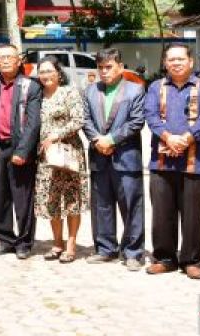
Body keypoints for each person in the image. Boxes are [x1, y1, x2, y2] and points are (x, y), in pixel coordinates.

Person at [144, 43, 200, 279]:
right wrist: (167, 137)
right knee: (162, 213)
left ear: (191, 62)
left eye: (180, 59)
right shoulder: (156, 87)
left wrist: (186, 139)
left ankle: (191, 260)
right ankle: (165, 258)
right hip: (161, 162)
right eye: (171, 60)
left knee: (193, 214)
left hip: (196, 163)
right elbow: (151, 116)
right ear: (165, 63)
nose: (175, 63)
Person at [82, 47, 146, 270]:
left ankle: (133, 252)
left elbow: (137, 122)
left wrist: (110, 140)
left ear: (120, 66)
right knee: (102, 205)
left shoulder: (135, 90)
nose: (104, 72)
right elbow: (85, 120)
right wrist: (97, 140)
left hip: (126, 157)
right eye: (100, 67)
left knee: (131, 205)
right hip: (99, 156)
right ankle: (105, 248)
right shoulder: (90, 91)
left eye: (109, 67)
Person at [0, 43, 42, 260]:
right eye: (2, 58)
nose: (6, 61)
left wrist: (23, 150)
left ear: (19, 61)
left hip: (20, 148)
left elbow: (33, 123)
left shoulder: (31, 86)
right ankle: (5, 239)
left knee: (23, 197)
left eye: (10, 57)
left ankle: (24, 242)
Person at [33, 57, 88, 263]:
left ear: (58, 72)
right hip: (46, 156)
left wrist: (56, 135)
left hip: (68, 153)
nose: (45, 75)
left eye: (49, 71)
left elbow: (78, 119)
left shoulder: (69, 92)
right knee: (52, 199)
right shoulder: (37, 95)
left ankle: (71, 245)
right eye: (42, 72)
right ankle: (57, 243)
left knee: (72, 199)